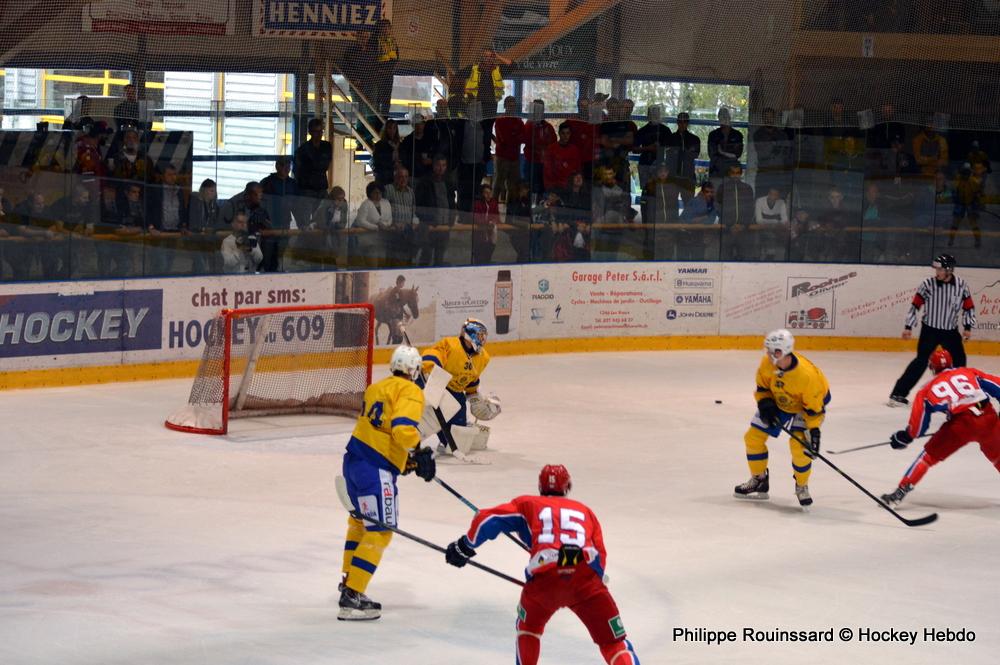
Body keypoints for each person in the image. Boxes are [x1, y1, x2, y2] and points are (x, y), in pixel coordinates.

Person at [444, 464, 640, 665]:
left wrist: (464, 546)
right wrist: (579, 588)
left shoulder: (528, 503)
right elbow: (600, 556)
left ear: (539, 486)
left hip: (546, 575)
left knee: (528, 630)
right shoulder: (586, 511)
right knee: (613, 643)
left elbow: (489, 519)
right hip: (585, 576)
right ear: (568, 486)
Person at [339, 345, 431, 621]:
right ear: (414, 370)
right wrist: (419, 451)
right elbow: (402, 429)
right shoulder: (411, 391)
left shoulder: (376, 387)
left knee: (359, 524)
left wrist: (405, 462)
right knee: (380, 530)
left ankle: (348, 581)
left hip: (354, 464)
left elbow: (379, 430)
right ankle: (353, 595)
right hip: (375, 472)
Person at [881, 349, 1000, 506]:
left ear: (932, 367)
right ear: (951, 363)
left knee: (927, 457)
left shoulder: (926, 390)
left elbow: (918, 427)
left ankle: (900, 492)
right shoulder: (968, 372)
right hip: (988, 417)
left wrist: (905, 436)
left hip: (959, 426)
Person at [735, 329, 831, 509]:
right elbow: (762, 387)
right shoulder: (768, 363)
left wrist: (814, 431)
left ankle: (802, 485)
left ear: (785, 351)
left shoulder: (807, 376)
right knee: (753, 438)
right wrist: (765, 405)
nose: (771, 355)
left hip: (806, 407)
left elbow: (814, 409)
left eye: (775, 352)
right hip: (781, 399)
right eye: (769, 351)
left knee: (799, 447)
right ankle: (759, 480)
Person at [888, 254, 976, 407]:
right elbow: (915, 306)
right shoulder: (928, 284)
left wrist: (968, 327)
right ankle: (898, 394)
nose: (937, 273)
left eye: (940, 269)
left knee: (960, 362)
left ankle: (960, 394)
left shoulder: (962, 285)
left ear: (949, 270)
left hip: (950, 331)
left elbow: (969, 308)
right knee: (920, 362)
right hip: (930, 331)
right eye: (936, 269)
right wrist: (908, 326)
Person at [420, 319, 498, 454]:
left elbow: (472, 378)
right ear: (470, 334)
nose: (483, 340)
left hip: (455, 392)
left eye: (484, 336)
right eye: (480, 336)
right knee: (429, 418)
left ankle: (443, 441)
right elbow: (432, 354)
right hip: (437, 384)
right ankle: (408, 437)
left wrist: (474, 397)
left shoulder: (483, 357)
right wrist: (431, 369)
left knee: (454, 440)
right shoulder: (451, 344)